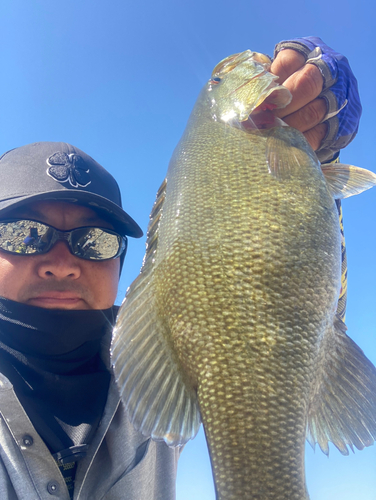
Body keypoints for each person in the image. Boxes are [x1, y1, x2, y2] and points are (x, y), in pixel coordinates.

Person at [0, 37, 361, 499]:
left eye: (95, 241)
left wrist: (318, 163)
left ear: (121, 262)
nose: (61, 264)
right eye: (25, 235)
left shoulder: (148, 368)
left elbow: (302, 296)